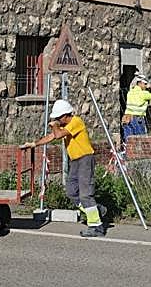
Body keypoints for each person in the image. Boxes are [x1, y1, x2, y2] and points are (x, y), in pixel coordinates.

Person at [21, 99, 106, 237]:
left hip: (85, 159)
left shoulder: (76, 122)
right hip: (75, 161)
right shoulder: (65, 126)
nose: (57, 120)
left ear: (66, 115)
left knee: (85, 194)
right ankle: (95, 210)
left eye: (58, 117)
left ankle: (96, 226)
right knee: (71, 192)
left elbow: (58, 134)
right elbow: (52, 136)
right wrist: (34, 144)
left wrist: (54, 125)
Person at [122, 73, 151, 140]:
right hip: (137, 119)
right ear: (140, 83)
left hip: (127, 118)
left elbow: (132, 85)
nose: (146, 86)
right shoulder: (143, 94)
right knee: (141, 140)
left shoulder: (130, 92)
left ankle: (126, 150)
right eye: (145, 84)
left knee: (129, 140)